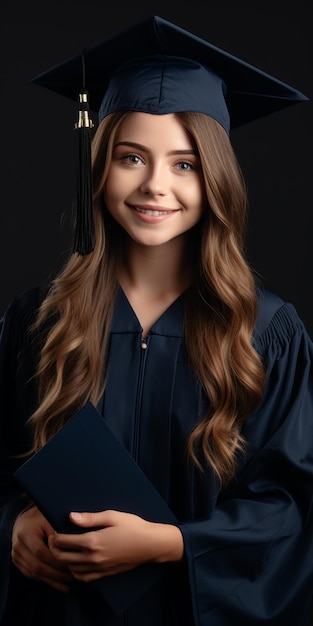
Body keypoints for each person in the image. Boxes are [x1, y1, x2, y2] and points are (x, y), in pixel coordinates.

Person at [0, 14, 312, 626]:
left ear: (215, 177)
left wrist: (173, 544)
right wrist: (11, 523)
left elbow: (293, 505)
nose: (154, 186)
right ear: (99, 165)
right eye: (131, 157)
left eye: (185, 164)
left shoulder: (266, 332)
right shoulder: (37, 321)